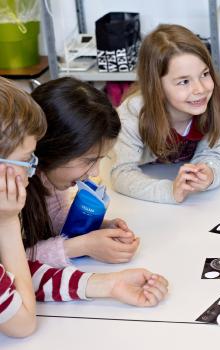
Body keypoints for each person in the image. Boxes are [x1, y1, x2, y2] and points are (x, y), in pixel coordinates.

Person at [0, 77, 168, 338]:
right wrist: (8, 223)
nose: (94, 172)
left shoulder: (34, 184)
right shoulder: (12, 205)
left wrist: (108, 282)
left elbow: (17, 276)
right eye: (26, 160)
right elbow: (22, 321)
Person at [20, 77, 139, 268]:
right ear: (53, 147)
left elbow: (52, 220)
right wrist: (82, 245)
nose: (95, 172)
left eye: (101, 159)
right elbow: (10, 262)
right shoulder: (12, 186)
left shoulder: (50, 174)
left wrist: (94, 226)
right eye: (89, 160)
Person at [111, 24, 220, 203]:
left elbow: (212, 154)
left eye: (205, 74)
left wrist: (209, 173)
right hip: (143, 191)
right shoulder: (133, 114)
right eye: (184, 81)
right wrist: (169, 191)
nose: (200, 89)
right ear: (156, 86)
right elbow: (122, 173)